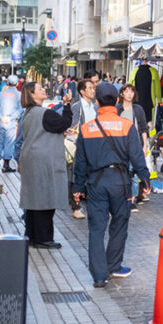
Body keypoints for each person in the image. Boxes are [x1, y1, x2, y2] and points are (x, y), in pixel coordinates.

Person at [72, 83, 150, 288]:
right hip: (120, 182)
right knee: (119, 223)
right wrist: (145, 178)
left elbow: (80, 162)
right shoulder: (126, 126)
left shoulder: (86, 129)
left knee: (96, 228)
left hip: (95, 183)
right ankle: (114, 265)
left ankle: (99, 276)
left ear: (97, 102)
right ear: (116, 100)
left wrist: (77, 188)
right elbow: (137, 156)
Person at [14, 82, 73, 249]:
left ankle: (31, 235)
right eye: (40, 89)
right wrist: (67, 105)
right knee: (45, 200)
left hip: (30, 158)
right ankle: (43, 238)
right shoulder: (44, 113)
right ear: (32, 95)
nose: (43, 90)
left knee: (33, 200)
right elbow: (64, 123)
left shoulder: (28, 113)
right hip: (44, 161)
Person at [67, 79, 98, 219]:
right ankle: (76, 206)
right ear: (82, 91)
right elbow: (72, 128)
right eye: (89, 88)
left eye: (93, 88)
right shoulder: (77, 107)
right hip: (80, 145)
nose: (93, 90)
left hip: (95, 146)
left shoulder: (96, 107)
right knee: (75, 175)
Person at [116, 84, 150, 207]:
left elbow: (143, 128)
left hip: (135, 145)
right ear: (122, 94)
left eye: (132, 91)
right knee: (122, 172)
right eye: (127, 91)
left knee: (135, 173)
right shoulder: (117, 109)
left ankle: (133, 199)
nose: (129, 94)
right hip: (120, 146)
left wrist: (145, 145)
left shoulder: (138, 109)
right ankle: (123, 197)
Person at [0, 74, 23, 173]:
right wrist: (11, 118)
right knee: (9, 143)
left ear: (7, 83)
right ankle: (6, 165)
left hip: (0, 122)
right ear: (17, 83)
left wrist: (1, 117)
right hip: (11, 122)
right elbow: (20, 109)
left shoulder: (2, 94)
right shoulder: (19, 95)